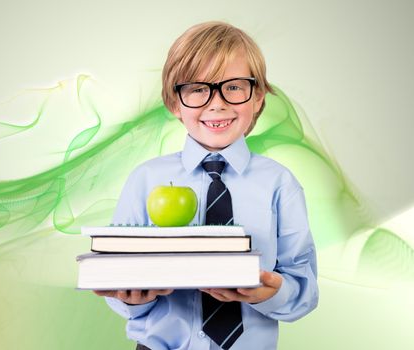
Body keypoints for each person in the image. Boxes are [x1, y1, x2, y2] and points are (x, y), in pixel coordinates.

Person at [94, 21, 318, 350]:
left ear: (257, 96)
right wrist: (133, 298)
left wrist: (272, 292)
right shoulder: (146, 180)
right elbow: (120, 281)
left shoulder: (279, 184)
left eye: (234, 86)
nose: (217, 103)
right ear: (174, 103)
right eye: (198, 89)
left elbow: (305, 288)